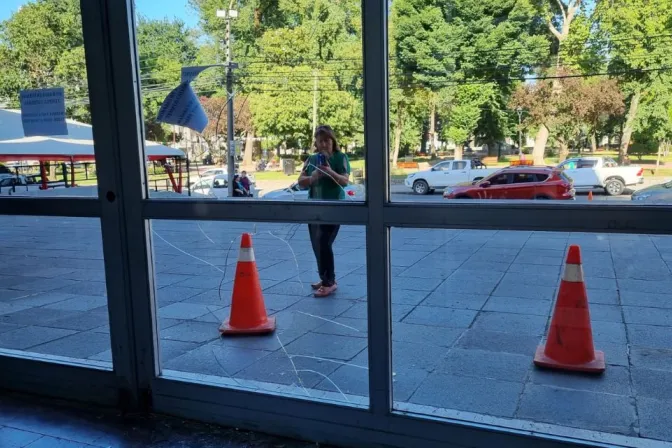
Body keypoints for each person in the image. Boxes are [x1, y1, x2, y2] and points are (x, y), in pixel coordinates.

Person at [298, 125, 351, 298]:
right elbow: (300, 182)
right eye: (320, 141)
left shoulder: (340, 157)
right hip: (313, 207)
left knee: (323, 243)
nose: (323, 144)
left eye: (327, 140)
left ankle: (329, 283)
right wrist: (313, 178)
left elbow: (344, 181)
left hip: (334, 207)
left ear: (333, 141)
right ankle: (326, 277)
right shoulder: (311, 159)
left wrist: (330, 173)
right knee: (316, 244)